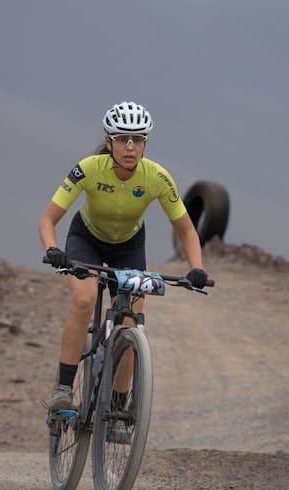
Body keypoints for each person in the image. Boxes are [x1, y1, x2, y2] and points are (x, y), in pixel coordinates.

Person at [38, 101, 208, 411]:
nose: (130, 147)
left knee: (130, 323)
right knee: (83, 300)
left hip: (128, 246)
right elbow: (48, 219)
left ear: (145, 143)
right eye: (121, 139)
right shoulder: (88, 169)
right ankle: (63, 388)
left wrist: (196, 267)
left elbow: (186, 229)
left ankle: (118, 406)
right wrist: (53, 249)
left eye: (138, 139)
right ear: (108, 142)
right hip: (85, 238)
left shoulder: (157, 177)